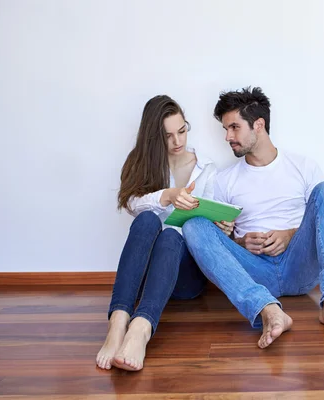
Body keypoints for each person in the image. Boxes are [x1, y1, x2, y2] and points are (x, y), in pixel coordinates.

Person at [182, 87, 324, 349]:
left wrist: (289, 235)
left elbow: (322, 222)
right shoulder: (223, 180)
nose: (227, 136)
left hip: (299, 265)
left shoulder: (303, 166)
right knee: (194, 225)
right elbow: (226, 243)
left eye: (234, 127)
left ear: (259, 125)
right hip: (255, 271)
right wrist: (241, 242)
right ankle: (267, 309)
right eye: (225, 129)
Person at [96, 95, 233, 371]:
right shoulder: (143, 162)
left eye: (182, 131)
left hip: (186, 276)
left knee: (173, 236)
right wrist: (167, 196)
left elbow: (211, 229)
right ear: (154, 137)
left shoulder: (206, 169)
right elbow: (132, 204)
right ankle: (118, 322)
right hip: (148, 277)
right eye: (168, 136)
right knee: (147, 219)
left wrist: (223, 228)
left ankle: (141, 329)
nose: (177, 141)